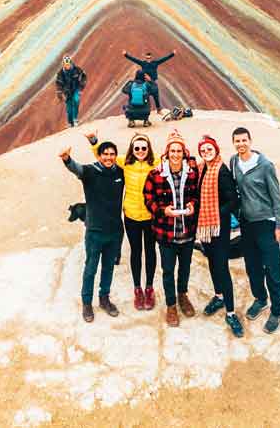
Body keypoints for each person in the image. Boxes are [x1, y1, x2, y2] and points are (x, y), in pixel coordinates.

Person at [88, 130, 159, 310]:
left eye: (144, 148)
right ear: (132, 149)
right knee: (136, 251)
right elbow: (104, 157)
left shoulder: (156, 162)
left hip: (151, 215)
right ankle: (138, 289)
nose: (140, 151)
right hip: (131, 215)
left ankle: (149, 288)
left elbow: (175, 157)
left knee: (150, 251)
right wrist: (94, 141)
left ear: (149, 148)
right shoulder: (125, 162)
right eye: (137, 148)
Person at [60, 139, 124, 323]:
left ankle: (104, 299)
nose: (109, 157)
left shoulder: (120, 172)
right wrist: (67, 159)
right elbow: (76, 169)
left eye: (112, 154)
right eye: (105, 154)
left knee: (108, 267)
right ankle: (87, 303)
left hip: (114, 230)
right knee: (90, 269)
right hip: (95, 231)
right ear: (99, 155)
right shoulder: (90, 171)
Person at [229, 126, 280, 333]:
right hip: (247, 224)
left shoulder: (265, 166)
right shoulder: (234, 162)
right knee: (252, 267)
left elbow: (277, 197)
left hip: (266, 223)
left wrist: (279, 225)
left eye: (244, 140)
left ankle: (277, 310)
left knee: (273, 270)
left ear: (250, 141)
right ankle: (261, 299)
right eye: (237, 141)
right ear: (233, 143)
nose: (241, 144)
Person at [143, 130, 200, 327]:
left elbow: (196, 195)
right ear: (167, 152)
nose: (175, 154)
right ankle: (171, 305)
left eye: (179, 151)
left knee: (185, 267)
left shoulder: (192, 173)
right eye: (172, 150)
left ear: (184, 153)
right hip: (165, 233)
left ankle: (182, 295)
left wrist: (193, 205)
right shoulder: (155, 174)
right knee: (168, 270)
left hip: (187, 231)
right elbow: (148, 199)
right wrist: (162, 211)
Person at [196, 135, 243, 338]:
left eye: (209, 149)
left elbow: (233, 201)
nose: (206, 152)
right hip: (205, 226)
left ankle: (231, 313)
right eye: (203, 150)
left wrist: (216, 214)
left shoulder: (221, 171)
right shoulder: (202, 169)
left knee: (222, 267)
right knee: (212, 262)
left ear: (216, 150)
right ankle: (219, 296)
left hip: (218, 227)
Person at [55, 55, 87, 129]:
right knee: (69, 108)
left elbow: (84, 76)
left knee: (76, 100)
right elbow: (58, 83)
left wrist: (81, 87)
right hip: (67, 92)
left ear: (71, 63)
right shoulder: (60, 74)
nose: (67, 66)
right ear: (63, 64)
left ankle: (75, 119)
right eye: (66, 65)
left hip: (76, 89)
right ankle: (70, 123)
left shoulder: (77, 70)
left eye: (68, 64)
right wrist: (59, 93)